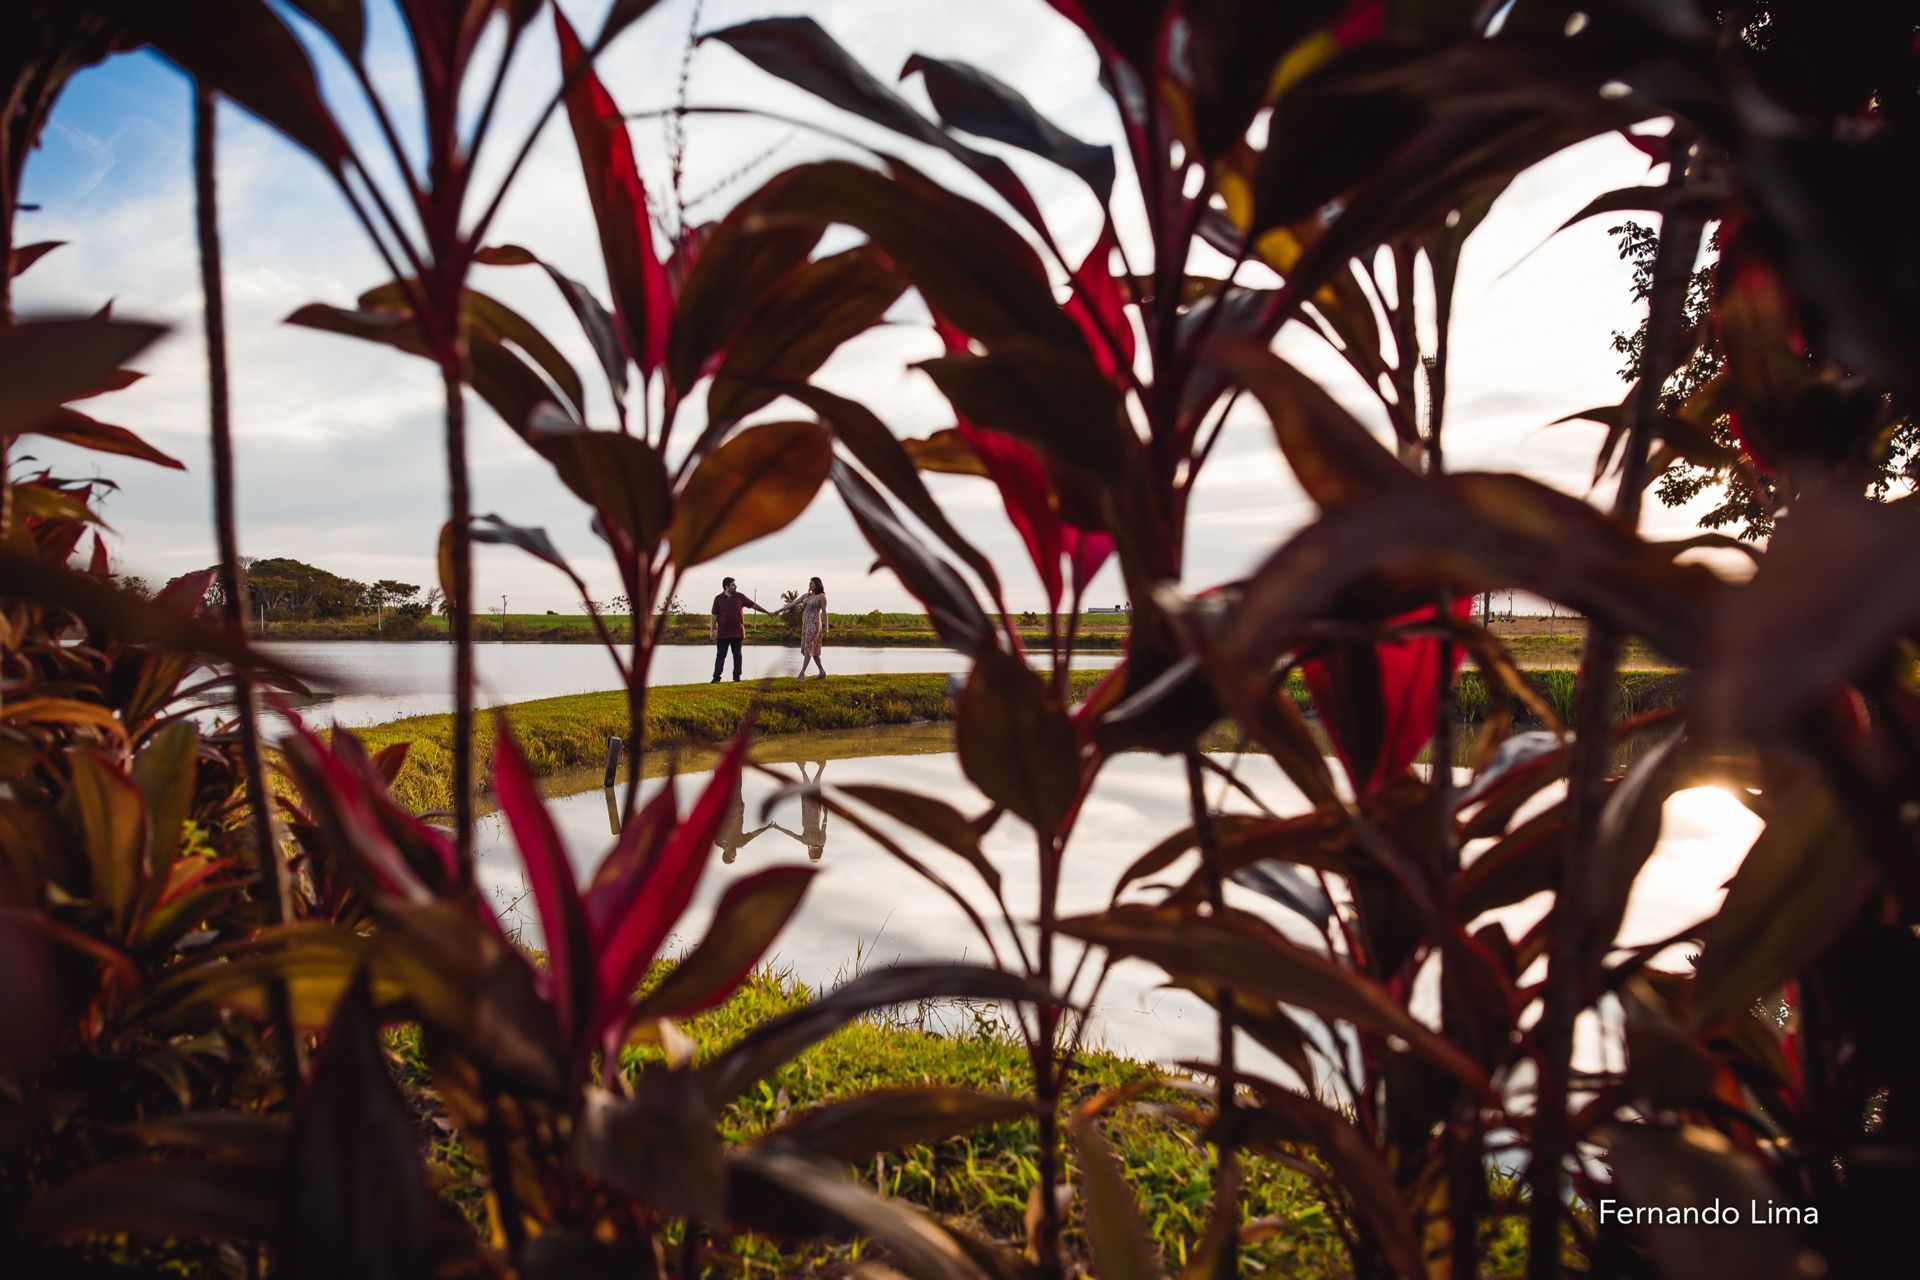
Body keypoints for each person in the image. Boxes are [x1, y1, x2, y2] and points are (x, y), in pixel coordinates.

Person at [710, 576, 772, 682]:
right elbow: (714, 615)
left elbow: (753, 605)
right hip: (723, 633)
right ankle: (716, 678)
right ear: (726, 586)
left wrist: (767, 612)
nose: (735, 586)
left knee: (737, 655)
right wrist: (711, 630)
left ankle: (736, 677)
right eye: (733, 585)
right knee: (720, 656)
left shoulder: (740, 597)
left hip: (737, 632)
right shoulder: (718, 599)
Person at [794, 576, 829, 679]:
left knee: (809, 648)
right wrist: (778, 611)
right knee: (814, 651)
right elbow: (793, 603)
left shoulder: (821, 597)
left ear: (817, 585)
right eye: (809, 583)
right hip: (806, 625)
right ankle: (822, 672)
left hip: (814, 625)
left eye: (812, 583)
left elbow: (824, 613)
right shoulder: (806, 596)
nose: (809, 585)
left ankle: (802, 673)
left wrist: (826, 627)